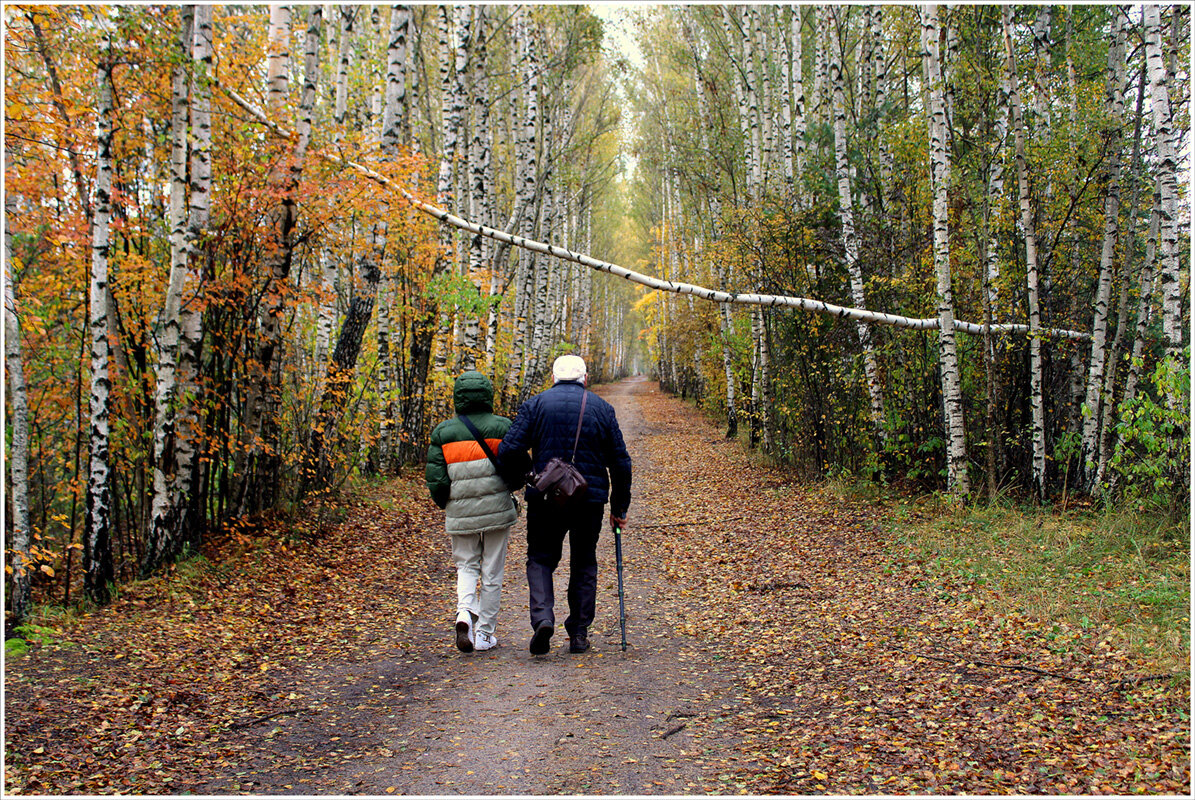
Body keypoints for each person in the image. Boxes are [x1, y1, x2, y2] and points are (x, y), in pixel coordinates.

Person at [498, 354, 632, 655]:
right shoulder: (602, 409)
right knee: (584, 560)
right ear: (584, 378)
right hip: (590, 500)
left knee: (541, 559)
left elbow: (508, 451)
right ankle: (579, 633)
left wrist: (530, 475)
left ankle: (543, 619)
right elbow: (620, 462)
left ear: (553, 377)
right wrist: (619, 508)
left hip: (546, 499)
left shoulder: (536, 404)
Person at [425, 371, 518, 653]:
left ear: (458, 397)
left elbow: (437, 480)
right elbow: (516, 467)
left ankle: (464, 611)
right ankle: (485, 634)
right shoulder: (503, 427)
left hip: (461, 510)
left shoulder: (443, 432)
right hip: (497, 511)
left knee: (466, 565)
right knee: (492, 571)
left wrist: (447, 504)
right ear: (488, 395)